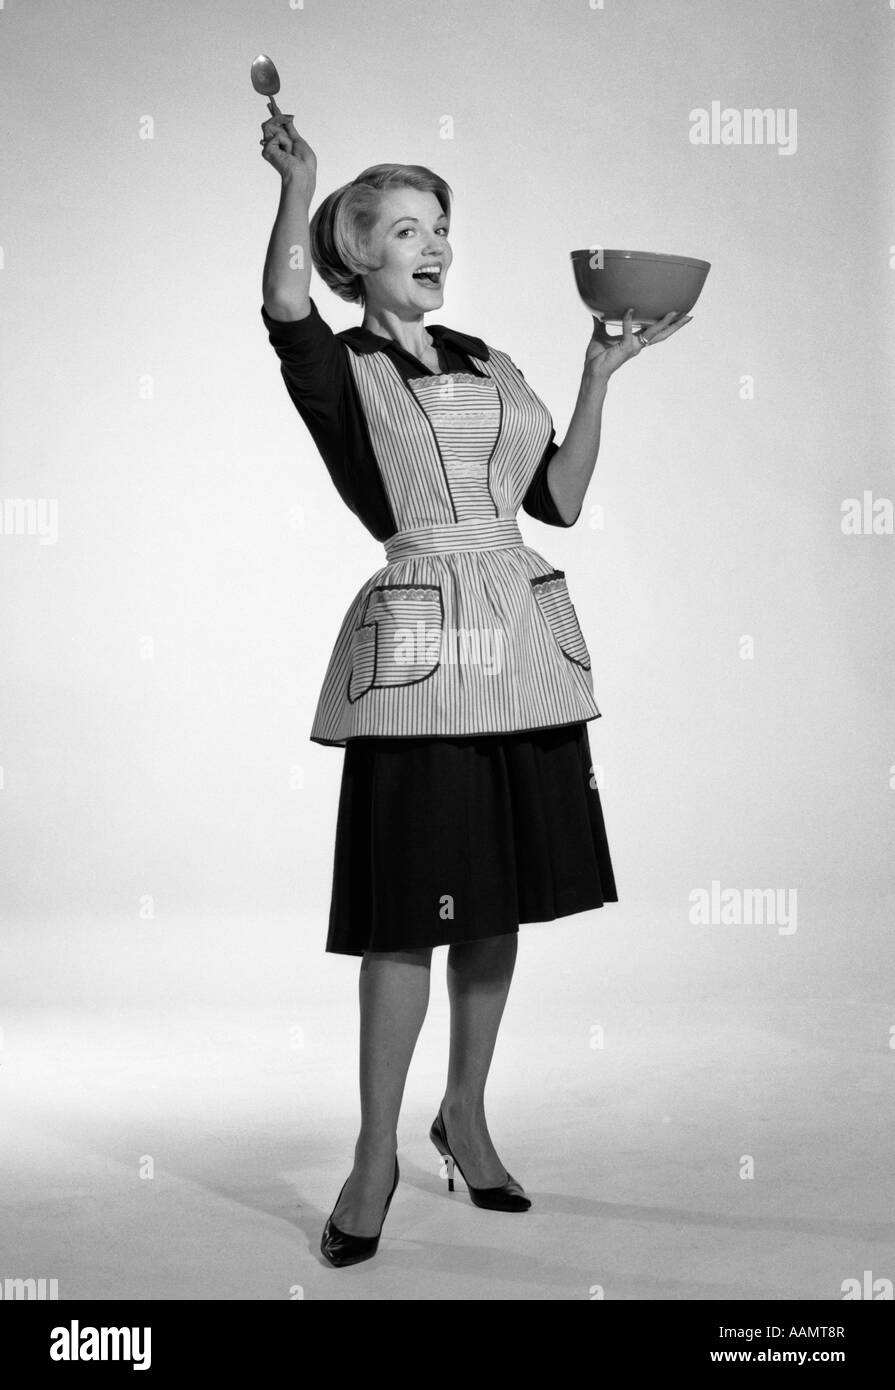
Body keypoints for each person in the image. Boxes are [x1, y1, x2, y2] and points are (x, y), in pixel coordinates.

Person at [258, 107, 691, 1268]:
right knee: (408, 913)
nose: (433, 246)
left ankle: (468, 1114)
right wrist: (295, 189)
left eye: (440, 226)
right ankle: (372, 1151)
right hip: (419, 654)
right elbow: (285, 305)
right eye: (404, 229)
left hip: (526, 643)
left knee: (492, 903)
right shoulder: (336, 367)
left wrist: (600, 371)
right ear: (358, 253)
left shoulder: (489, 360)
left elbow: (555, 501)